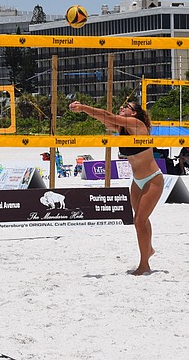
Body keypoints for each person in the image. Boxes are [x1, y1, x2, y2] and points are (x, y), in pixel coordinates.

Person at [69, 99, 162, 275]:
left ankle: (144, 265)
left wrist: (83, 107)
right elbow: (103, 118)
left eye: (126, 107)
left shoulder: (136, 124)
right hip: (137, 181)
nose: (122, 107)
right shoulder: (122, 129)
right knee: (141, 220)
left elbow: (107, 114)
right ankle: (148, 250)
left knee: (139, 221)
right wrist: (85, 111)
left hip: (152, 179)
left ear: (134, 113)